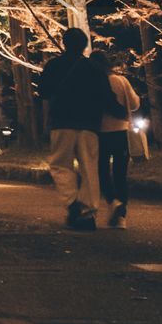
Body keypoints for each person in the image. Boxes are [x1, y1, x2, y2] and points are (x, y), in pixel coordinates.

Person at [36, 28, 112, 231]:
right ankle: (88, 211)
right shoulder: (94, 68)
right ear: (85, 45)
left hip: (62, 121)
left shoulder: (55, 65)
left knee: (60, 165)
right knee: (89, 168)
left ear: (64, 43)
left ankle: (72, 203)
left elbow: (43, 91)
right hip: (89, 124)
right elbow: (106, 95)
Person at [90, 50, 141, 229]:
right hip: (122, 132)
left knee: (101, 171)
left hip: (101, 133)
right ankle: (122, 217)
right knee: (120, 174)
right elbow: (135, 104)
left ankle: (112, 202)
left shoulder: (94, 82)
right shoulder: (121, 80)